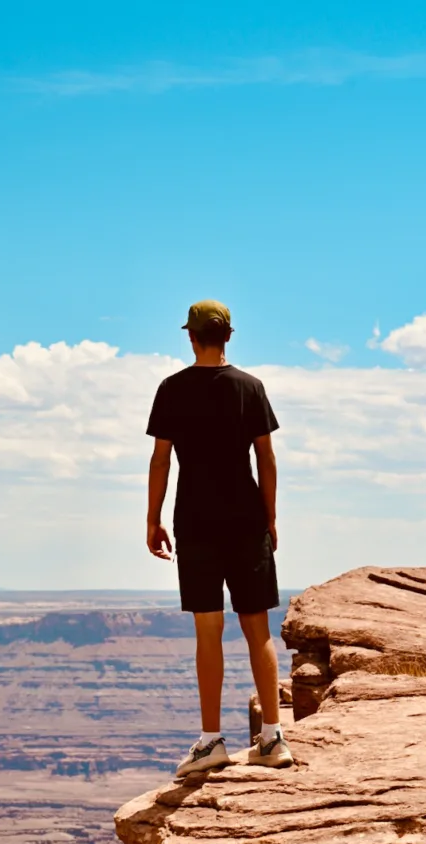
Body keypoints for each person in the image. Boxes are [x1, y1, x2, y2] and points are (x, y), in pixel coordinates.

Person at [146, 299, 293, 777]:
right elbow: (266, 458)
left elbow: (161, 459)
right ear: (228, 335)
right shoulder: (250, 387)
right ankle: (272, 737)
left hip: (195, 522)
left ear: (191, 337)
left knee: (207, 632)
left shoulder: (171, 389)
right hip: (247, 521)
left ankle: (211, 741)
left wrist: (153, 519)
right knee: (257, 629)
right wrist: (270, 517)